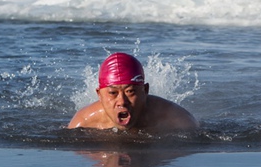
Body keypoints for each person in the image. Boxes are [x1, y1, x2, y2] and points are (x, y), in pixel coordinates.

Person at [67, 52, 198, 133]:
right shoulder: (83, 123)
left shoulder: (177, 120)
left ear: (145, 91)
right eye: (113, 93)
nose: (122, 102)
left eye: (130, 92)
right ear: (99, 94)